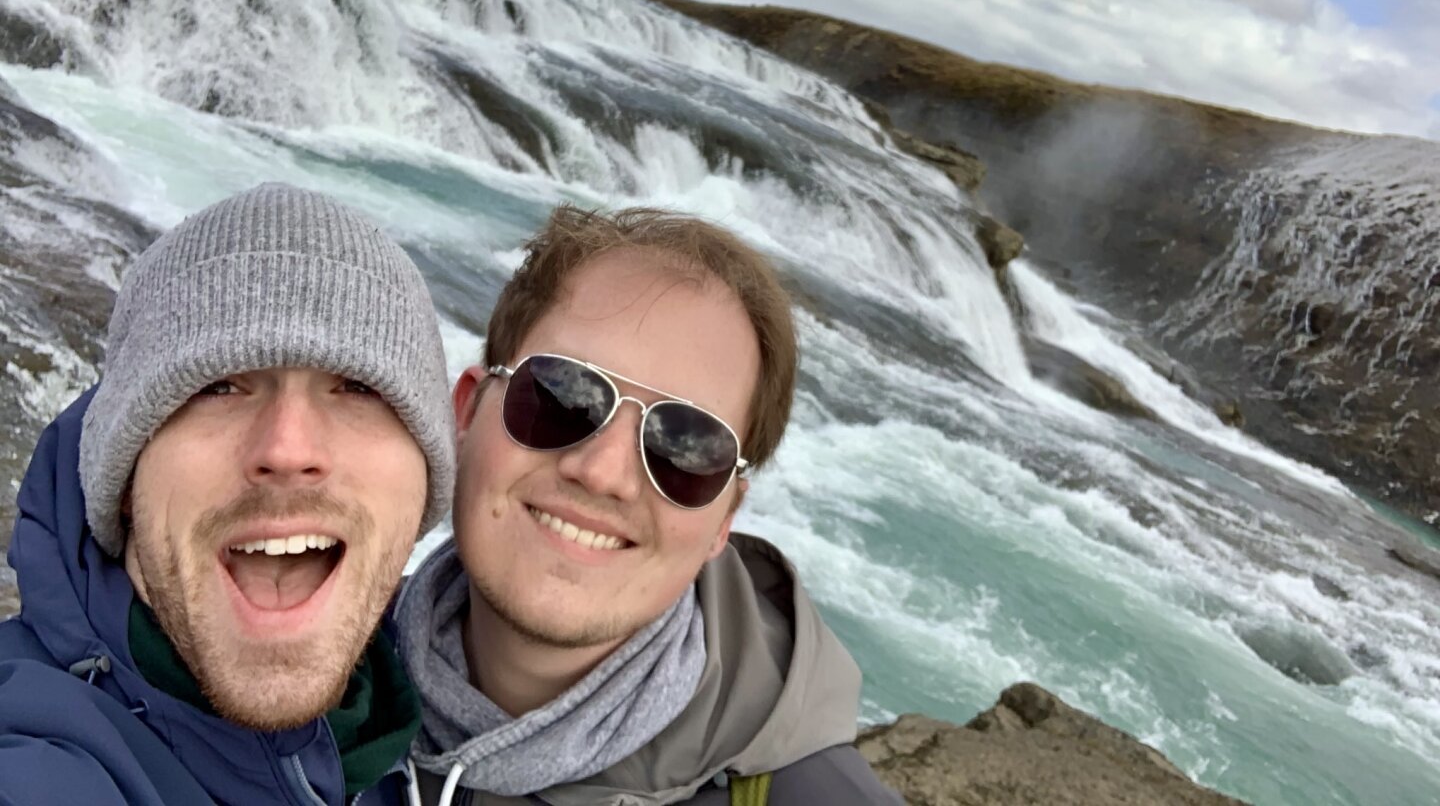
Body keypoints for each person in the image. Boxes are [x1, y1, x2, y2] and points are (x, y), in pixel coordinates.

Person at [398, 205, 900, 805]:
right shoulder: (304, 679)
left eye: (685, 446)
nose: (604, 472)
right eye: (563, 396)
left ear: (724, 521)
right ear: (468, 410)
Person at [0, 183, 456, 805]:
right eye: (217, 386)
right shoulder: (38, 761)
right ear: (127, 483)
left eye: (357, 387)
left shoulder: (426, 739)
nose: (288, 449)